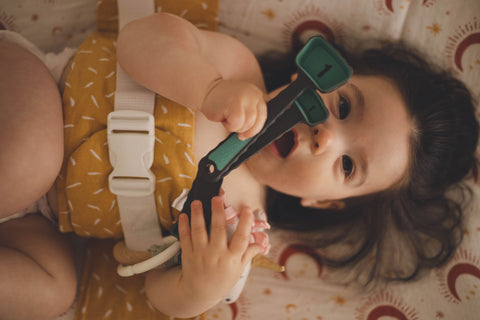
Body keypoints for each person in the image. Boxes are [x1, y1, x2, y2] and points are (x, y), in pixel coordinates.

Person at [0, 11, 477, 319]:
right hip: (34, 94)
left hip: (41, 217)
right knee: (31, 159)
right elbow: (139, 39)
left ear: (325, 202)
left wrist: (200, 285)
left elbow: (155, 295)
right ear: (310, 73)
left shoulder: (242, 232)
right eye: (346, 107)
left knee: (51, 291)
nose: (327, 134)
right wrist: (206, 89)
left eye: (348, 165)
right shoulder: (234, 68)